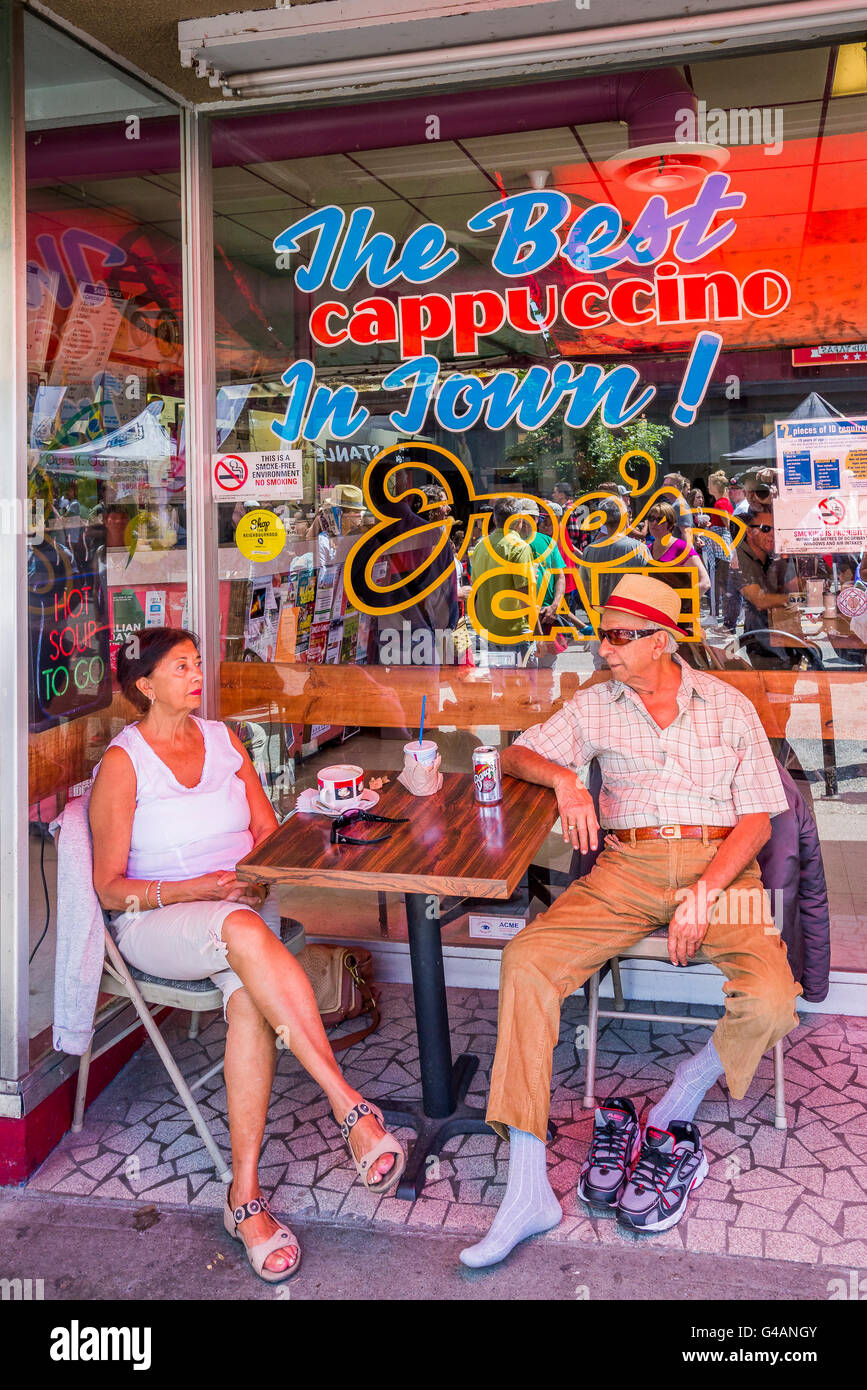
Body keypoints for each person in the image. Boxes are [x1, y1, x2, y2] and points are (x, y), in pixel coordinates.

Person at [459, 574, 799, 1268]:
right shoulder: (595, 705)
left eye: (617, 637)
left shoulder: (727, 704)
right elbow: (516, 752)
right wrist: (564, 780)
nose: (603, 649)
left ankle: (680, 1094)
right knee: (525, 961)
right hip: (626, 869)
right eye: (602, 634)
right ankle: (526, 1188)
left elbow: (758, 820)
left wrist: (705, 892)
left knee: (770, 998)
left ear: (661, 641)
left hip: (721, 866)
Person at [90, 627, 406, 1284]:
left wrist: (257, 874)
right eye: (180, 666)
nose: (195, 673)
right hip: (160, 921)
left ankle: (244, 1198)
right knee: (238, 930)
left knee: (250, 1006)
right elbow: (108, 887)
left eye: (197, 663)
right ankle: (349, 1106)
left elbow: (267, 833)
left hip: (237, 917)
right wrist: (197, 889)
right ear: (144, 685)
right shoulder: (125, 764)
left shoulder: (223, 739)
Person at [730, 505, 809, 668]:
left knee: (787, 682)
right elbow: (761, 601)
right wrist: (799, 598)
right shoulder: (740, 561)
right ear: (748, 534)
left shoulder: (776, 556)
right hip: (763, 636)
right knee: (772, 684)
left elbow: (795, 587)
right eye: (764, 529)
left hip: (786, 629)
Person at [470, 496, 537, 664]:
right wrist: (539, 633)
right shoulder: (520, 547)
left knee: (500, 687)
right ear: (519, 520)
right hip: (516, 631)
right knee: (525, 688)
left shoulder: (480, 546)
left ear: (494, 518)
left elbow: (476, 591)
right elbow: (524, 596)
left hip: (489, 630)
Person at [578, 496, 651, 608]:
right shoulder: (639, 548)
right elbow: (650, 583)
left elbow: (585, 586)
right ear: (624, 518)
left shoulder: (590, 550)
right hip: (632, 615)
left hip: (601, 615)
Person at [647, 501, 710, 594]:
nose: (654, 523)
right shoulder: (647, 549)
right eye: (651, 518)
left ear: (671, 524)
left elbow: (705, 583)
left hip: (678, 607)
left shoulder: (681, 548)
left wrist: (681, 599)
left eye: (660, 519)